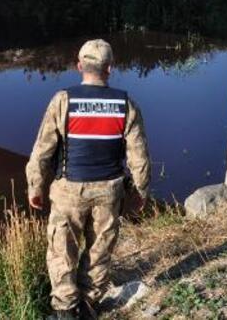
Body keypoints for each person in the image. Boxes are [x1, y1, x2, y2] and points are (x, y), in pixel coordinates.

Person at [26, 39, 151, 320]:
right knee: (99, 251)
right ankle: (89, 305)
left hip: (68, 190)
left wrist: (36, 186)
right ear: (110, 68)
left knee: (62, 252)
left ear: (79, 66)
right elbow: (139, 157)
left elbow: (42, 151)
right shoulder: (125, 104)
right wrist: (140, 191)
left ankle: (66, 309)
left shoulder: (63, 100)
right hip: (110, 191)